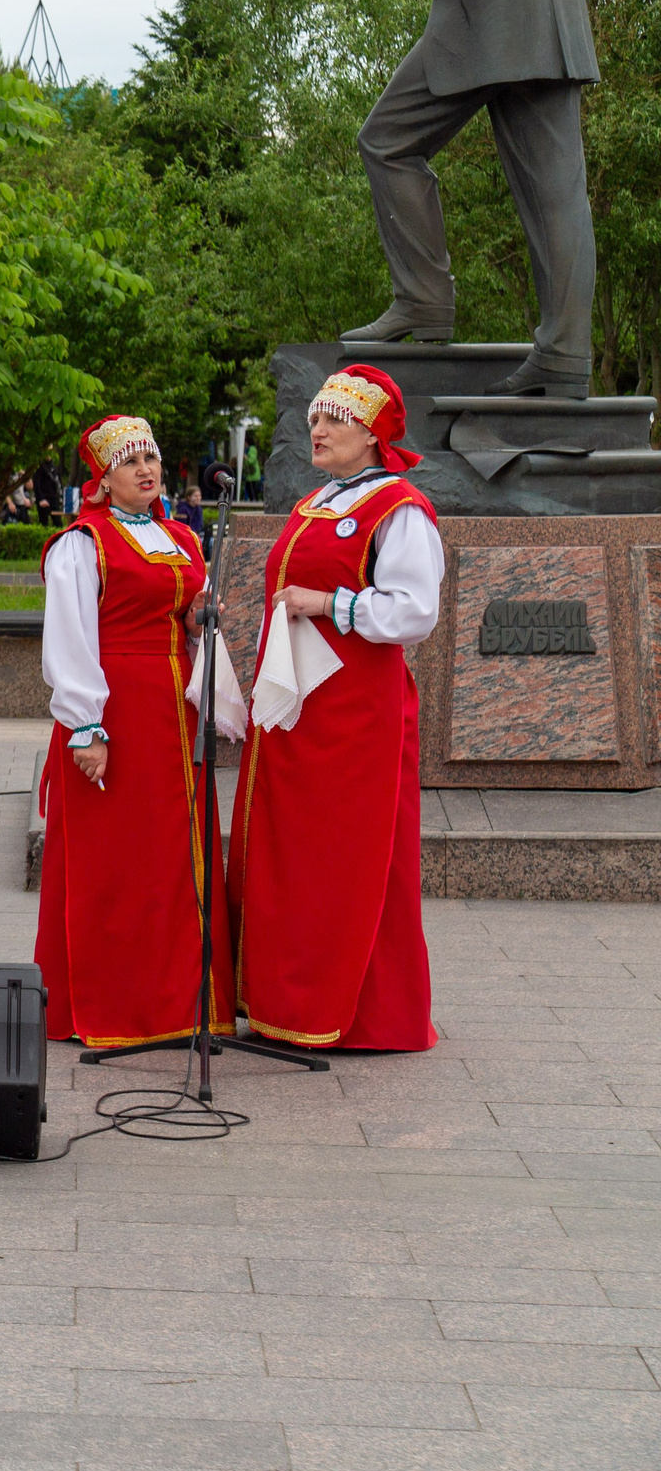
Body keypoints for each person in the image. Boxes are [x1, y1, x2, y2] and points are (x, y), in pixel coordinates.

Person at [347, 0, 600, 398]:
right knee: (393, 141)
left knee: (550, 189)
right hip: (496, 3)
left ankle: (554, 351)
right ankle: (431, 304)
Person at [232, 365, 443, 1051]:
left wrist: (330, 604)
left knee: (348, 852)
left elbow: (415, 610)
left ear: (375, 435)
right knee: (295, 853)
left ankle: (358, 1011)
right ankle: (285, 997)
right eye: (315, 418)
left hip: (355, 711)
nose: (316, 429)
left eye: (335, 421)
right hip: (300, 708)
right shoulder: (319, 499)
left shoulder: (398, 508)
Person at [35, 415, 241, 1049]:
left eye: (151, 457)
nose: (146, 470)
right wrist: (87, 726)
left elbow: (184, 612)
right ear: (103, 478)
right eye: (129, 463)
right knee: (121, 860)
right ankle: (120, 1006)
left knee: (176, 856)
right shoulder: (82, 543)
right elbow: (69, 638)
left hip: (176, 707)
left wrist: (203, 619)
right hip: (118, 704)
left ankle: (184, 1001)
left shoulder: (179, 534)